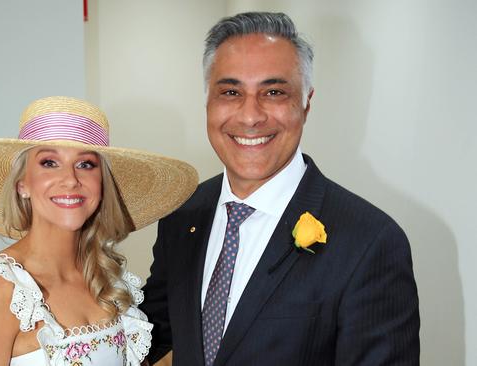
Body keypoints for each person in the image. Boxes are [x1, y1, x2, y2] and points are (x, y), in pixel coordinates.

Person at [140, 12, 420, 366]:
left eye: (273, 92)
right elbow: (150, 337)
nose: (250, 116)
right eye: (230, 92)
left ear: (306, 103)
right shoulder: (183, 215)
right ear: (208, 103)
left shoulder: (370, 242)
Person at [0, 96, 198, 366]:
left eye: (86, 164)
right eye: (49, 163)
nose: (70, 179)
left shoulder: (111, 281)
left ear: (101, 184)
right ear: (22, 184)